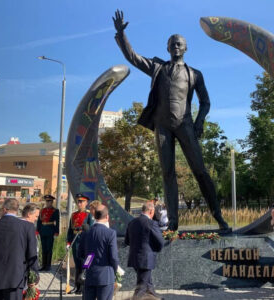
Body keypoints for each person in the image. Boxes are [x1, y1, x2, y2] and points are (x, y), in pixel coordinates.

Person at [113, 10, 229, 232]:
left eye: (179, 44)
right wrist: (121, 34)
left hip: (185, 124)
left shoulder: (195, 74)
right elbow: (133, 57)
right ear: (167, 48)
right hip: (163, 126)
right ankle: (173, 223)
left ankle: (219, 216)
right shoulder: (159, 68)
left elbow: (205, 102)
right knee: (168, 174)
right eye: (172, 44)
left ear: (185, 48)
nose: (176, 46)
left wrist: (199, 122)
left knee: (201, 172)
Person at [0, 198, 39, 300]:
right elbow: (32, 254)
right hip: (15, 280)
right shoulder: (27, 227)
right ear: (16, 210)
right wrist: (33, 277)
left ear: (4, 209)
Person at [125, 202, 165, 300]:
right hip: (146, 259)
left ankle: (155, 297)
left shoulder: (132, 223)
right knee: (141, 287)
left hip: (134, 258)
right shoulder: (151, 223)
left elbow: (127, 241)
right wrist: (155, 250)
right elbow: (160, 242)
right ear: (151, 211)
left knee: (148, 285)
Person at [79, 204, 119, 300]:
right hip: (106, 276)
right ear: (107, 217)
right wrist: (116, 270)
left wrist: (88, 261)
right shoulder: (110, 233)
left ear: (94, 216)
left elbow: (80, 253)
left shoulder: (86, 232)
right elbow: (113, 257)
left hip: (89, 275)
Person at [67, 193, 94, 295]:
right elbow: (70, 230)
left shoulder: (89, 214)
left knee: (84, 265)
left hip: (84, 241)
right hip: (75, 241)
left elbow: (91, 230)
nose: (79, 203)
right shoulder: (73, 215)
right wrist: (68, 242)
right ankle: (77, 286)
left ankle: (83, 286)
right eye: (78, 201)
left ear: (86, 203)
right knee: (77, 265)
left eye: (82, 202)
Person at [37, 194, 60, 271]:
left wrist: (56, 232)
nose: (48, 203)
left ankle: (48, 266)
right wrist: (37, 230)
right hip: (43, 230)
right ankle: (43, 265)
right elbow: (39, 221)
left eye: (49, 201)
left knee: (49, 248)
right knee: (43, 248)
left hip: (50, 230)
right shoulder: (42, 210)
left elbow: (57, 222)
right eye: (47, 201)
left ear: (52, 202)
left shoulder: (55, 211)